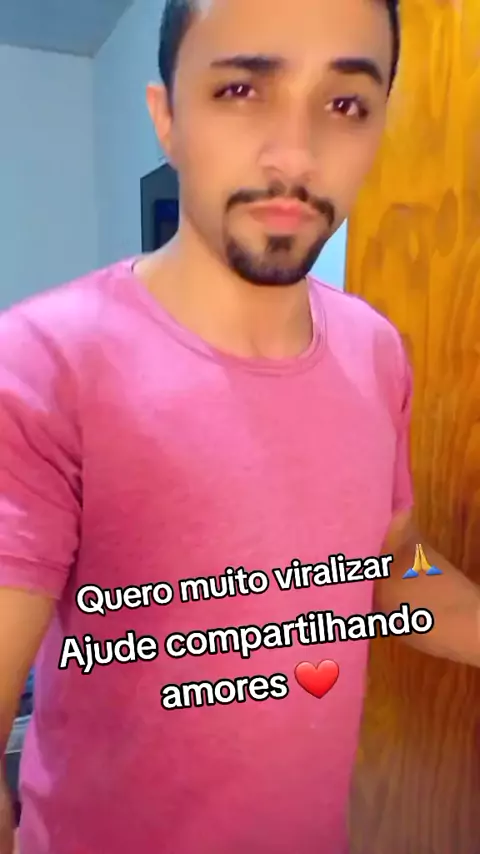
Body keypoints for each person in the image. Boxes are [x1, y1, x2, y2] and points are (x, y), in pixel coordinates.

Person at [0, 0, 479, 852]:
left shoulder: (375, 349)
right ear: (168, 119)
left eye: (345, 104)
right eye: (242, 90)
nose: (295, 155)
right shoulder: (42, 363)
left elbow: (386, 561)